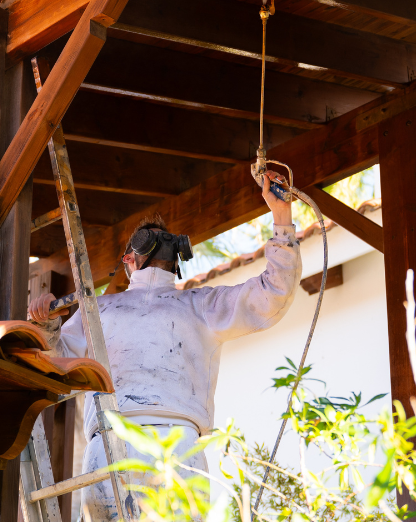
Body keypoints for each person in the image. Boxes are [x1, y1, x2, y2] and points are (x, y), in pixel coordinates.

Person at [27, 171, 302, 522]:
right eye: (147, 241)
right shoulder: (98, 311)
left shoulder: (199, 305)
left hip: (163, 448)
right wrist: (46, 322)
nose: (157, 247)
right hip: (127, 445)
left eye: (163, 241)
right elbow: (55, 362)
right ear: (128, 259)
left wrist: (282, 217)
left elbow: (270, 294)